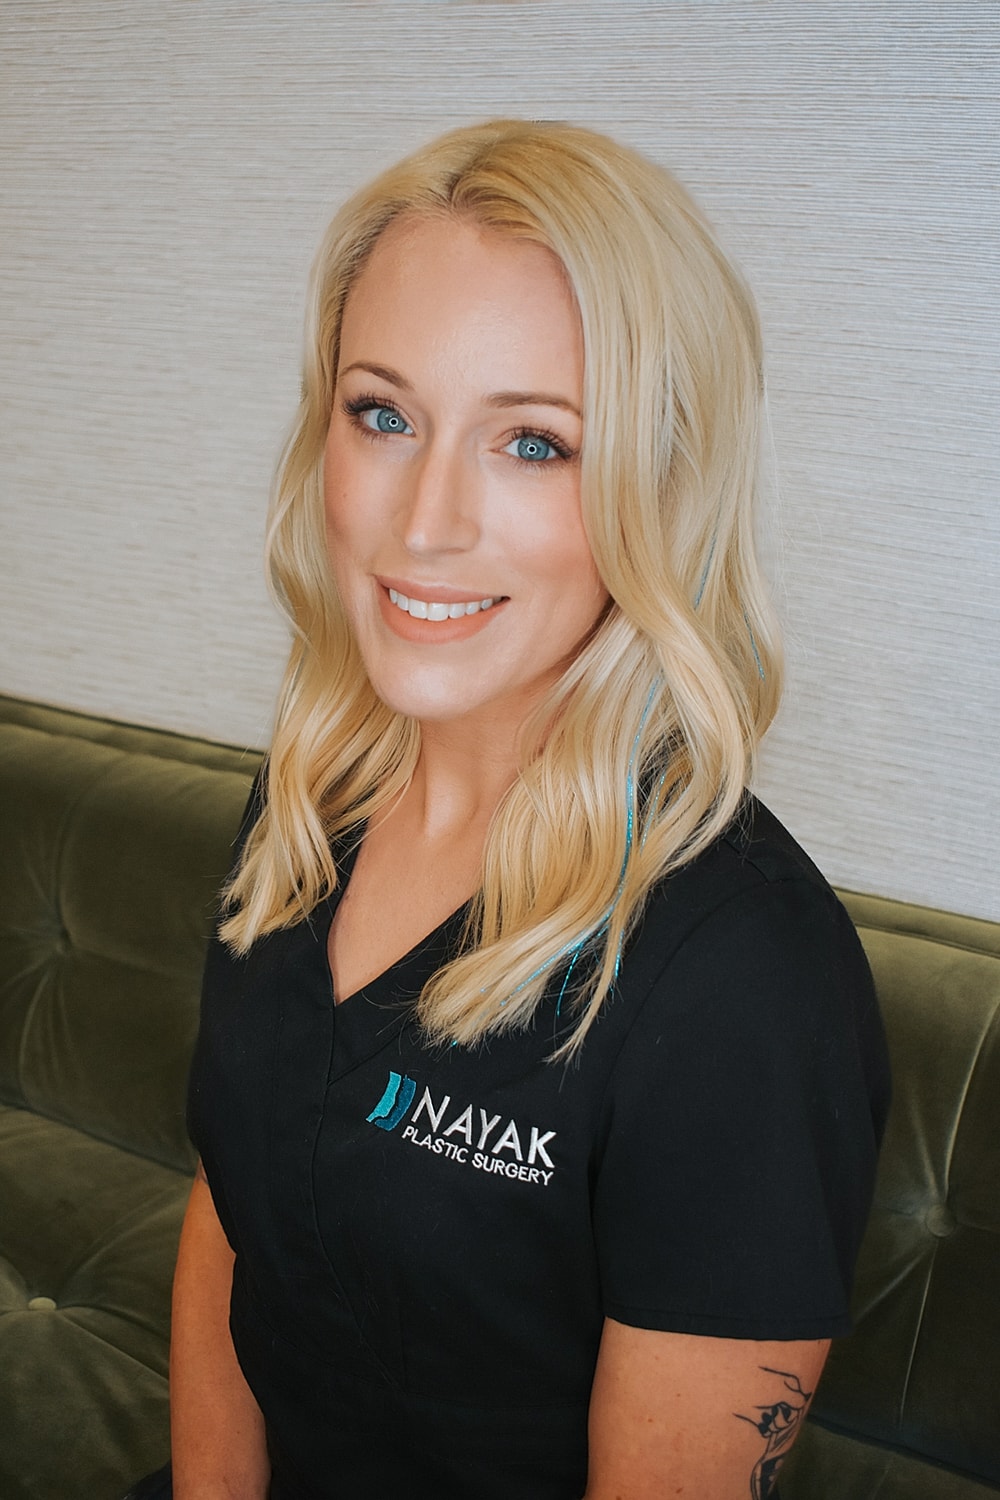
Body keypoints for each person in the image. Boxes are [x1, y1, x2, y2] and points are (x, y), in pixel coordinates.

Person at [163, 119, 889, 1500]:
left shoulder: (745, 981)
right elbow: (230, 1211)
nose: (424, 520)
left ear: (660, 488)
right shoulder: (309, 801)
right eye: (384, 415)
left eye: (536, 444)